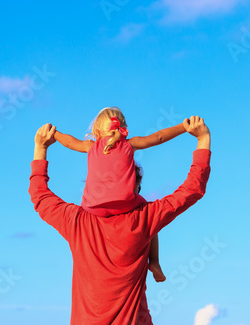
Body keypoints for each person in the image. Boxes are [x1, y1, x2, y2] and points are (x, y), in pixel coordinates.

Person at [29, 116, 211, 325]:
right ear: (130, 186)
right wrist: (203, 140)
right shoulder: (145, 218)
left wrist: (41, 148)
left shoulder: (76, 222)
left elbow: (39, 195)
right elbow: (191, 190)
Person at [52, 107, 187, 282]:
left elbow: (69, 142)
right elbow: (158, 137)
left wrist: (54, 134)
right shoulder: (130, 144)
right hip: (125, 204)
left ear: (97, 130)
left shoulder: (89, 146)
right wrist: (184, 127)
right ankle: (154, 261)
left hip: (93, 207)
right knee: (151, 218)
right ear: (123, 127)